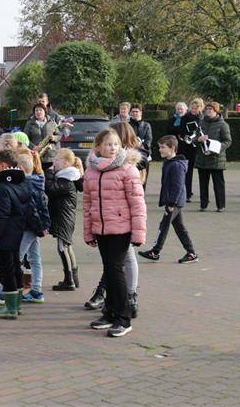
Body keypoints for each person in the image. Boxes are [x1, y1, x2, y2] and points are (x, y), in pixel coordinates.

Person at [84, 128, 146, 337]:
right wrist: (88, 232)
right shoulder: (91, 171)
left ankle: (123, 318)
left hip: (122, 228)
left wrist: (138, 233)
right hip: (101, 228)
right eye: (108, 144)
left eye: (116, 144)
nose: (113, 148)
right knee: (109, 270)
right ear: (98, 147)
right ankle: (109, 313)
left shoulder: (128, 170)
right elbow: (88, 204)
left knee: (116, 270)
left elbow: (137, 203)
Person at [0, 149, 33, 319]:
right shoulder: (22, 183)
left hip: (4, 235)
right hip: (16, 231)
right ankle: (16, 305)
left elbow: (2, 215)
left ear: (4, 165)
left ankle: (10, 308)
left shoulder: (2, 188)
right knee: (15, 268)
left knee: (5, 271)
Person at [138, 135, 198, 263]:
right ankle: (191, 253)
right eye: (160, 147)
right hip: (174, 201)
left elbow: (178, 186)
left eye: (163, 147)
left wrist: (171, 203)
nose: (160, 150)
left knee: (164, 225)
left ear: (172, 148)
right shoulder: (169, 162)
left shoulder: (176, 165)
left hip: (174, 202)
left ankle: (155, 251)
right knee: (180, 228)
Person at [16, 149, 51, 304]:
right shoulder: (39, 181)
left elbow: (31, 210)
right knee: (35, 258)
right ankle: (36, 290)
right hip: (36, 227)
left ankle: (5, 289)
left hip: (29, 227)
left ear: (21, 168)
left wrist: (39, 227)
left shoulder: (25, 186)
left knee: (16, 257)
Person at [46, 148, 84, 291]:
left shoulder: (66, 179)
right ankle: (74, 278)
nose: (53, 163)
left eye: (56, 160)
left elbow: (49, 188)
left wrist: (49, 173)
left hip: (63, 218)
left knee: (62, 248)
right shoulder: (68, 177)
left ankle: (69, 281)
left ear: (66, 163)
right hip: (65, 217)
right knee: (67, 246)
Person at [195, 102, 232, 212]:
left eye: (210, 109)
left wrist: (217, 148)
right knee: (203, 184)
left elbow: (228, 141)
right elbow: (194, 139)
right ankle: (203, 205)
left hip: (216, 159)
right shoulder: (201, 123)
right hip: (202, 158)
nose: (208, 111)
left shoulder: (223, 125)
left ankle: (221, 205)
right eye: (207, 109)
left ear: (216, 111)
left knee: (218, 184)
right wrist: (198, 139)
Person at [166, 102, 197, 202]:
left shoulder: (190, 119)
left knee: (188, 172)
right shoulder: (172, 120)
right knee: (175, 172)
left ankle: (188, 193)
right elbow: (168, 131)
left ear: (186, 110)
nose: (179, 111)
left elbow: (193, 132)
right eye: (178, 109)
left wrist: (179, 131)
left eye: (181, 109)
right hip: (176, 150)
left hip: (188, 149)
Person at [24, 103, 59, 171]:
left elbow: (59, 135)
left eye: (40, 110)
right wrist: (33, 147)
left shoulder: (52, 122)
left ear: (44, 112)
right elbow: (25, 139)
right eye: (36, 110)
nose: (38, 112)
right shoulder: (29, 124)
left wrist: (54, 138)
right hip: (36, 155)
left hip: (50, 156)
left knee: (50, 175)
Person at [185, 98, 205, 201]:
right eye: (192, 108)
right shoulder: (186, 117)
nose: (193, 110)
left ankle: (204, 196)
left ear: (200, 108)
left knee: (203, 173)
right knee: (188, 172)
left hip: (200, 147)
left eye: (196, 108)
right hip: (189, 147)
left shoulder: (204, 118)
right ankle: (187, 193)